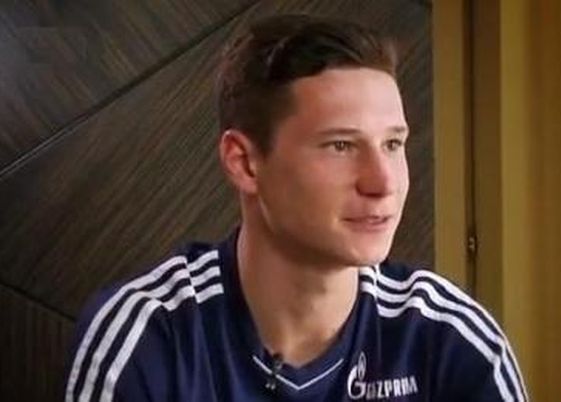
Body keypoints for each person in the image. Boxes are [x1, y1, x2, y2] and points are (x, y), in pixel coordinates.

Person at [63, 14, 527, 402]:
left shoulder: (449, 338)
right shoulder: (150, 334)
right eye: (341, 145)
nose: (383, 183)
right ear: (244, 163)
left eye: (392, 144)